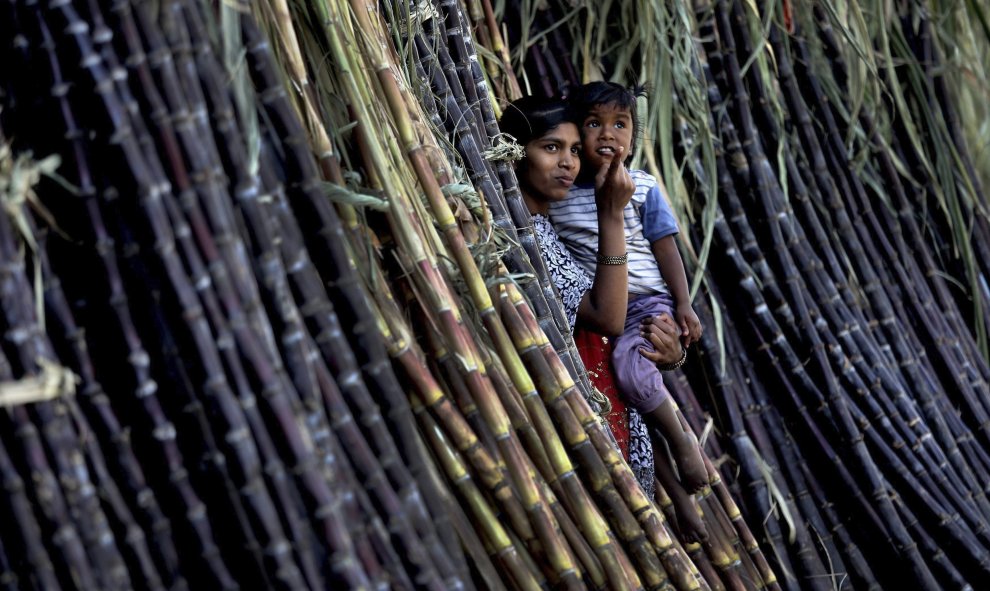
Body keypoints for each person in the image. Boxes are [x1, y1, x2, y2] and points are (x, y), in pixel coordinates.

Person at [500, 96, 707, 542]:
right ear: (515, 154)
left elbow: (620, 340)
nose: (568, 163)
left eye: (575, 150)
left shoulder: (553, 224)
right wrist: (611, 212)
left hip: (617, 421)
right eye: (551, 148)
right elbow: (608, 320)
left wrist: (671, 354)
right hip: (576, 440)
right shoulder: (522, 237)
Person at [547, 82, 709, 496]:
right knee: (621, 393)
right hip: (601, 310)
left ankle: (681, 438)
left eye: (620, 124)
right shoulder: (559, 194)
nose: (607, 134)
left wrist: (683, 303)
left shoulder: (642, 186)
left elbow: (666, 247)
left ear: (633, 136)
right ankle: (669, 480)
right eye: (594, 124)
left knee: (631, 368)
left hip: (647, 303)